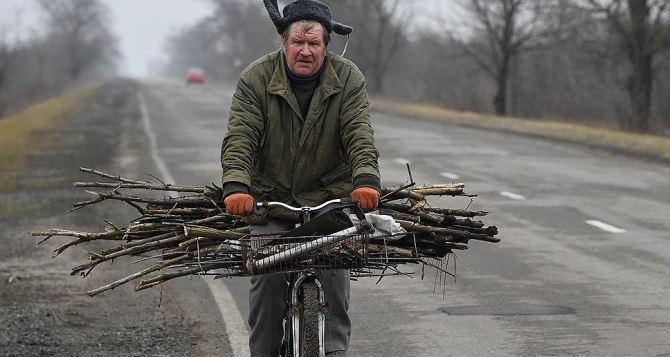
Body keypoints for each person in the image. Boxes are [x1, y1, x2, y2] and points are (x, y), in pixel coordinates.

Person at [220, 0, 381, 355]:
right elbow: (241, 136)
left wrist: (366, 179)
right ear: (284, 41)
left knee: (336, 277)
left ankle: (334, 350)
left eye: (314, 44)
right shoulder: (256, 78)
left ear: (326, 46)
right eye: (298, 42)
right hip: (270, 202)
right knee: (267, 281)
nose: (305, 51)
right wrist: (236, 186)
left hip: (329, 200)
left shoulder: (348, 78)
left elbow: (359, 133)